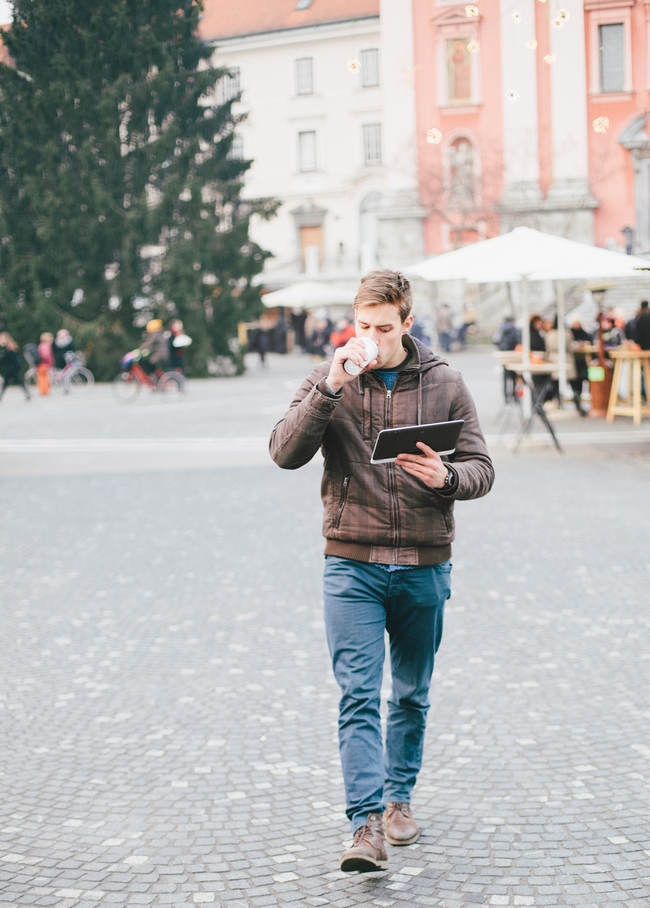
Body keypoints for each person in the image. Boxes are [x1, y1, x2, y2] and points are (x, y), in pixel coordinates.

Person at [270, 270, 494, 874]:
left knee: (412, 694)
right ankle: (365, 824)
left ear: (407, 324)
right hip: (351, 564)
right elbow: (283, 452)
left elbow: (481, 467)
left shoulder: (445, 381)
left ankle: (399, 800)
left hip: (423, 563)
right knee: (358, 695)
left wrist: (447, 478)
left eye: (382, 328)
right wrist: (331, 388)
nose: (369, 336)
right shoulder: (329, 377)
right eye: (361, 325)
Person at [544, 317, 587, 416]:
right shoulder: (567, 333)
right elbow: (571, 346)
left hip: (554, 359)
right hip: (567, 359)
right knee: (573, 383)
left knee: (556, 383)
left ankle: (557, 402)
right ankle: (577, 402)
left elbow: (547, 348)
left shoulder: (549, 334)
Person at [492, 315, 521, 403]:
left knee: (505, 377)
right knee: (515, 376)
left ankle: (506, 396)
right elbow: (519, 341)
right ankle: (515, 395)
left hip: (503, 356)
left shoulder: (500, 329)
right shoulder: (516, 330)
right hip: (514, 356)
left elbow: (495, 341)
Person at [0, 332, 30, 401]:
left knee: (8, 382)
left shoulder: (6, 348)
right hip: (13, 368)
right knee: (17, 381)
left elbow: (4, 359)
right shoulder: (11, 346)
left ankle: (1, 396)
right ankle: (28, 394)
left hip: (11, 368)